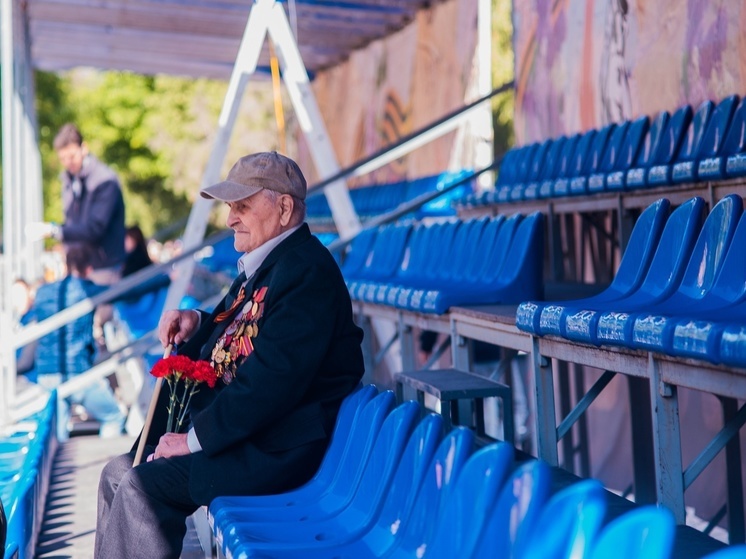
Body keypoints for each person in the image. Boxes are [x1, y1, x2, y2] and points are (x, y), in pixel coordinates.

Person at [94, 151, 365, 559]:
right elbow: (240, 329)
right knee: (118, 473)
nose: (229, 219)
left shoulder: (306, 272)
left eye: (242, 206)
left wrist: (191, 440)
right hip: (251, 436)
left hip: (278, 450)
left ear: (285, 208)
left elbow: (270, 384)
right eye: (229, 207)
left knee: (141, 489)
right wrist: (196, 320)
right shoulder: (270, 265)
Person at [28, 123, 127, 349]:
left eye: (71, 156)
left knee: (98, 332)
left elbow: (94, 228)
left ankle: (111, 383)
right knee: (82, 333)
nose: (68, 163)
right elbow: (73, 221)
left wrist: (55, 230)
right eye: (63, 158)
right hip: (79, 268)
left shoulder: (105, 181)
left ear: (84, 148)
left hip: (104, 268)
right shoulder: (69, 179)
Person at [32, 245, 126, 441]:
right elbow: (128, 290)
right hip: (77, 372)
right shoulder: (86, 288)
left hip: (46, 373)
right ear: (89, 268)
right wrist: (167, 278)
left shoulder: (43, 292)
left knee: (55, 438)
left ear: (66, 264)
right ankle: (106, 466)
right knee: (114, 416)